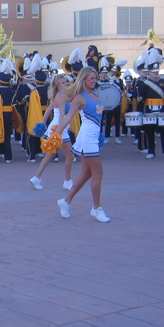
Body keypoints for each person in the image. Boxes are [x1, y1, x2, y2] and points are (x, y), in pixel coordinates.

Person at [54, 66, 110, 223]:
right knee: (98, 173)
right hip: (86, 138)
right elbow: (68, 117)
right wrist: (56, 133)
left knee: (87, 173)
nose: (94, 80)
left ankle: (65, 201)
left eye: (95, 78)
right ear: (84, 79)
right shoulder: (79, 97)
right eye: (91, 78)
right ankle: (96, 208)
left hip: (93, 136)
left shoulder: (96, 94)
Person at [30, 74, 75, 191]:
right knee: (70, 155)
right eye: (64, 83)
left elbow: (49, 109)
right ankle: (67, 181)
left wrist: (43, 123)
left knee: (50, 155)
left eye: (66, 82)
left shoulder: (59, 95)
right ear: (58, 86)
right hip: (59, 127)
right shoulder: (61, 97)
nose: (66, 84)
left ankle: (37, 177)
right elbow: (60, 114)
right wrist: (59, 131)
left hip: (56, 127)